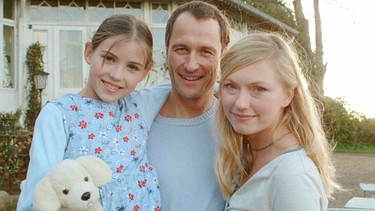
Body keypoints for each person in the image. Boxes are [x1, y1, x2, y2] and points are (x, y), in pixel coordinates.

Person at [17, 14, 166, 211]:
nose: (116, 75)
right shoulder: (59, 114)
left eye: (132, 67)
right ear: (89, 52)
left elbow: (191, 87)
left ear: (144, 72)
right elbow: (38, 196)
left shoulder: (140, 104)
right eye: (109, 58)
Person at [214, 32, 340, 210]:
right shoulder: (248, 156)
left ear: (288, 95)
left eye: (259, 89)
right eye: (231, 86)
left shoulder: (292, 178)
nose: (241, 103)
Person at [143, 1, 230, 210]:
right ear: (166, 50)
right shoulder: (133, 116)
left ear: (223, 55)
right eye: (182, 49)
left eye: (206, 52)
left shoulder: (239, 121)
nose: (191, 65)